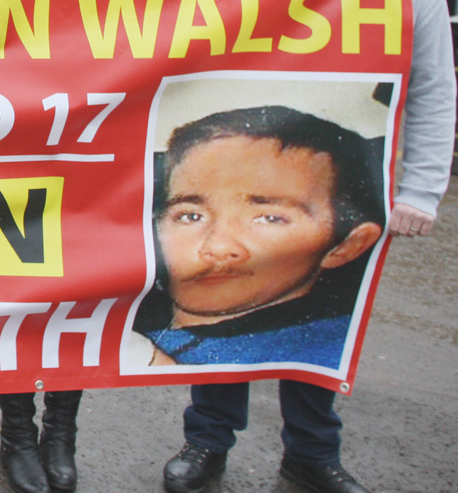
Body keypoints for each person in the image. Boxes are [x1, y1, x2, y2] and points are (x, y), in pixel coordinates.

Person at [160, 0, 455, 493]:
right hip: (241, 168)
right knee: (223, 306)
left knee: (323, 315)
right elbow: (211, 7)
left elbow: (435, 86)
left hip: (338, 181)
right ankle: (207, 444)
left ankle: (313, 454)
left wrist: (421, 191)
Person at [0, 0, 179, 493]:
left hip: (92, 187)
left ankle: (60, 435)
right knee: (18, 311)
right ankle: (17, 438)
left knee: (76, 308)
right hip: (16, 185)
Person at [132, 104, 387, 370]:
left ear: (347, 245)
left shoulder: (316, 352)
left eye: (269, 218)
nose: (218, 246)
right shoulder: (124, 310)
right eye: (191, 216)